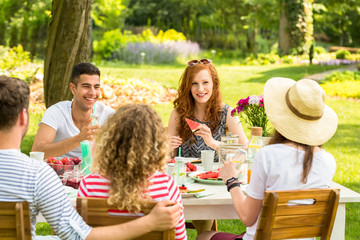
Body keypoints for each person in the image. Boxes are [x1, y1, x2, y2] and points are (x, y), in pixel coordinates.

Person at [0, 75, 181, 240]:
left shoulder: (85, 184)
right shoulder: (37, 175)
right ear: (23, 117)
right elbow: (76, 236)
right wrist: (150, 222)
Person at [197, 77, 338, 240]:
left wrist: (231, 181)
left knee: (204, 236)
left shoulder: (268, 155)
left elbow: (247, 218)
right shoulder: (328, 161)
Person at [78, 104, 187, 240]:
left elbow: (80, 235)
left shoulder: (90, 184)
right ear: (156, 143)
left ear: (110, 139)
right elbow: (179, 237)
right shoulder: (166, 186)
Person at [168, 59, 248, 161]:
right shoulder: (178, 114)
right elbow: (170, 157)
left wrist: (213, 143)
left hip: (217, 176)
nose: (200, 89)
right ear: (188, 87)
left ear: (214, 84)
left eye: (205, 82)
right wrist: (166, 149)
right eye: (194, 83)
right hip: (185, 174)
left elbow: (246, 152)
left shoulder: (227, 113)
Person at [32, 63, 115, 159]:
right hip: (58, 173)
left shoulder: (109, 116)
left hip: (94, 172)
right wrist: (79, 139)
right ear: (73, 88)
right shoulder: (56, 112)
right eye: (86, 86)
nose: (92, 93)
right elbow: (37, 151)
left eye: (96, 87)